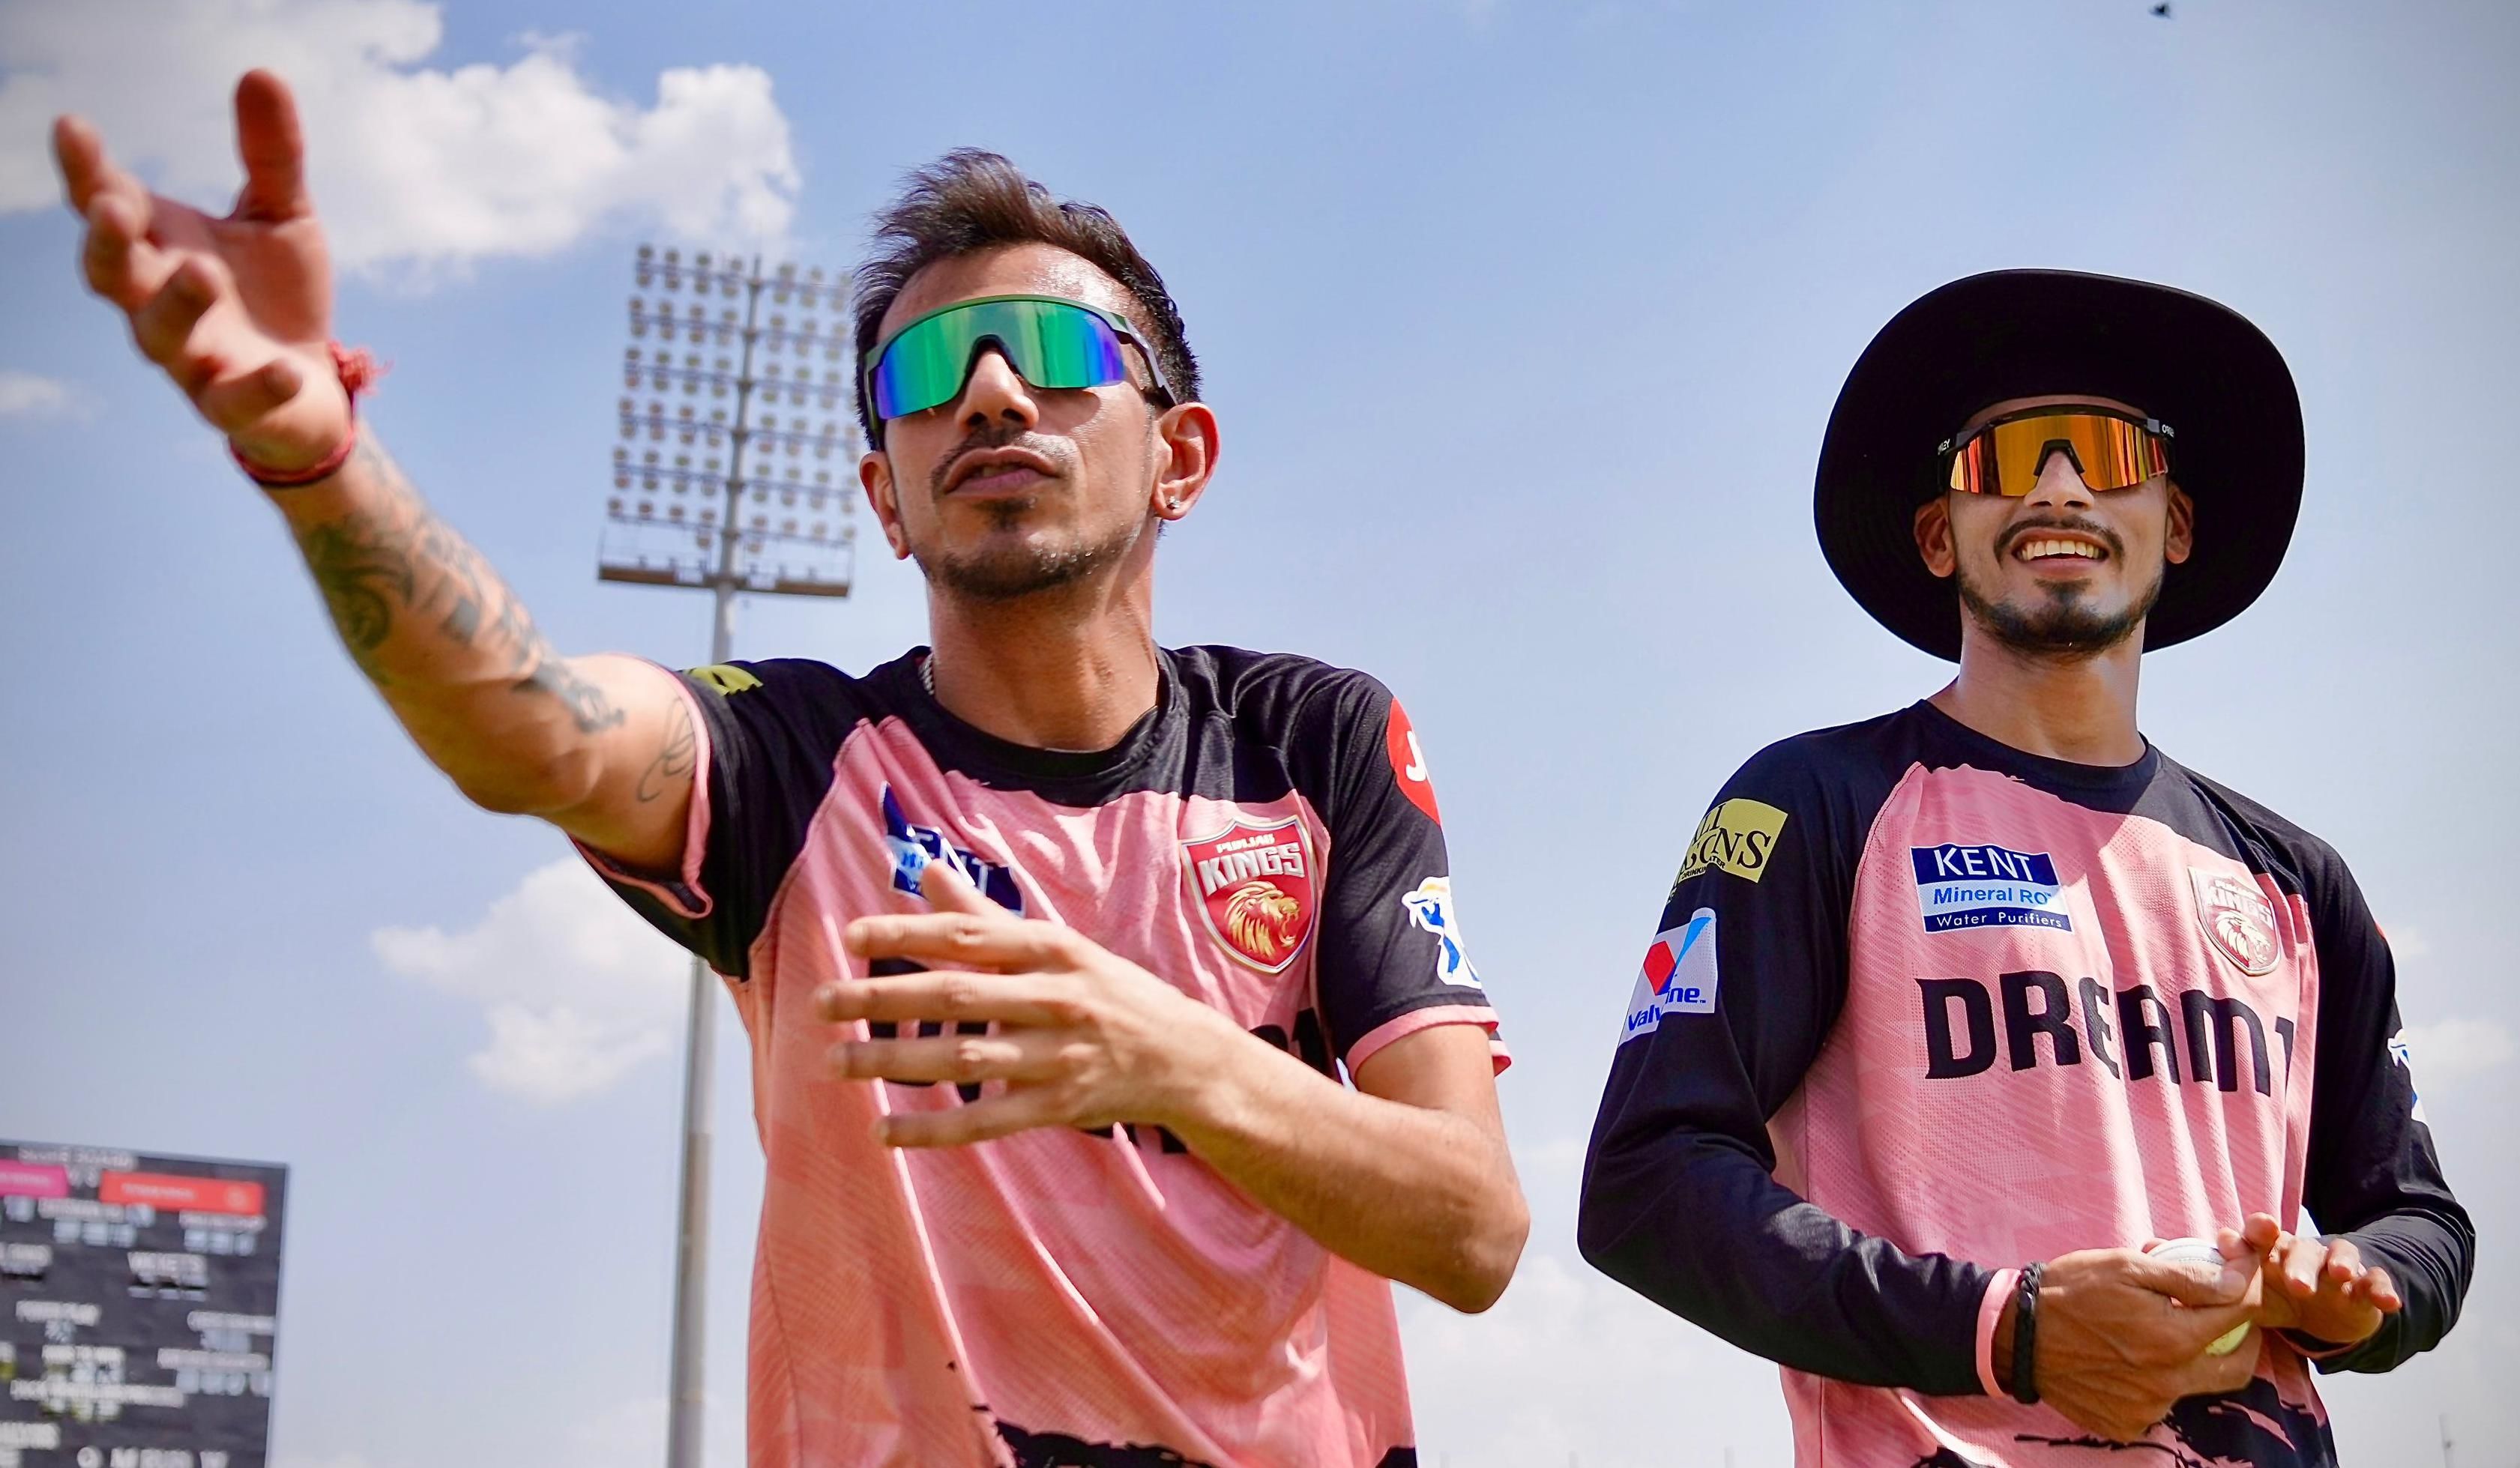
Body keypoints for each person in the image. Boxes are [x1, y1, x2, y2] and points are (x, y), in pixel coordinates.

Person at [55, 71, 1525, 1467]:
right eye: (926, 370)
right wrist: (321, 457)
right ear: (885, 497)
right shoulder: (797, 761)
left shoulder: (1313, 740)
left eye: (1059, 350)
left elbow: (1472, 1228)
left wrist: (1171, 1056)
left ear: (1179, 457)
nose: (992, 392)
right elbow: (530, 724)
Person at [1578, 269, 2472, 1465]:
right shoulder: (1811, 803)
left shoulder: (2296, 881)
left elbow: (2417, 1220)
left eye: (2105, 452)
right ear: (1937, 536)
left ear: (2176, 524)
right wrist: (2009, 1329)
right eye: (2001, 459)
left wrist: (2348, 1283)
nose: (2057, 486)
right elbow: (1646, 1182)